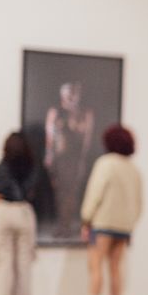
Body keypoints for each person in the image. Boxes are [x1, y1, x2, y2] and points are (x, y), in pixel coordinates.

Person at [69, 125, 144, 295]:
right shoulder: (133, 169)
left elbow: (95, 193)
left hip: (103, 223)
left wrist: (86, 219)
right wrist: (130, 222)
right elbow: (139, 202)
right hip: (124, 226)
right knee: (115, 268)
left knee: (95, 266)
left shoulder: (106, 163)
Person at [0, 132, 40, 295]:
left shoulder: (0, 167)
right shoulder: (32, 168)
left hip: (3, 212)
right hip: (25, 212)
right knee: (24, 266)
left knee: (3, 264)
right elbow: (34, 192)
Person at [44, 81, 95, 239]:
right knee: (60, 192)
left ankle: (66, 224)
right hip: (60, 158)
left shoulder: (85, 114)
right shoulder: (55, 112)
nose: (70, 98)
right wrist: (49, 156)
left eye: (73, 94)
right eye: (67, 95)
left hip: (74, 158)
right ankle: (62, 224)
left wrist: (82, 160)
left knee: (71, 193)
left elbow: (86, 139)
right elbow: (50, 137)